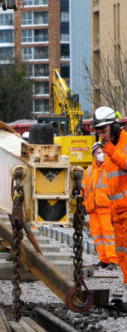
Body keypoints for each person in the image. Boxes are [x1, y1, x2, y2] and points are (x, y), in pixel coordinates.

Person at [93, 106, 127, 303]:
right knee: (122, 256)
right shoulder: (108, 149)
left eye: (103, 131)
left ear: (114, 127)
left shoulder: (121, 146)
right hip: (119, 213)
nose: (102, 136)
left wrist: (113, 153)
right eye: (99, 132)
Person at [82, 142, 118, 270]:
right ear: (93, 155)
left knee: (109, 234)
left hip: (107, 207)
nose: (100, 154)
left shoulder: (110, 168)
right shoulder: (89, 171)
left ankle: (113, 259)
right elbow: (84, 189)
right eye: (97, 152)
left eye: (102, 151)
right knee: (97, 236)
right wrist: (83, 205)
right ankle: (104, 259)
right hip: (93, 209)